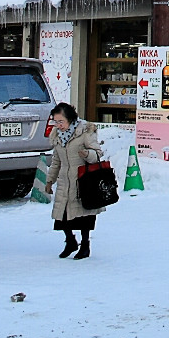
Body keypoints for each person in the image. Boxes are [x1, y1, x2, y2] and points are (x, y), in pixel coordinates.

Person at [45, 102, 106, 259]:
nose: (58, 125)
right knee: (62, 215)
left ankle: (85, 246)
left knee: (84, 215)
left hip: (83, 181)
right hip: (65, 181)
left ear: (70, 119)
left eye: (61, 122)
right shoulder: (57, 136)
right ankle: (70, 242)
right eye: (55, 121)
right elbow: (56, 161)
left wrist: (87, 154)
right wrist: (50, 180)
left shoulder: (85, 132)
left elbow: (98, 154)